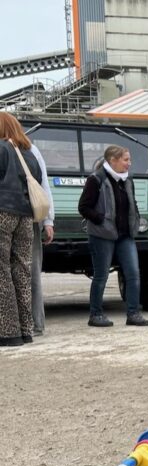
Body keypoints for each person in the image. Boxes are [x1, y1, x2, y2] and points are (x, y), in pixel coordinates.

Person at [78, 146, 148, 328]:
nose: (129, 163)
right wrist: (102, 220)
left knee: (133, 274)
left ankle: (133, 314)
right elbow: (84, 207)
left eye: (129, 159)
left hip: (125, 236)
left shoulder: (127, 180)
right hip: (102, 236)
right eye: (126, 160)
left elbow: (132, 203)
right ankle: (96, 314)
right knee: (101, 275)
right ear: (112, 160)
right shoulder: (96, 179)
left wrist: (136, 221)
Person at [0, 113, 42, 347]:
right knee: (22, 271)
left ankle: (7, 332)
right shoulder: (29, 154)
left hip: (2, 212)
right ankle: (26, 329)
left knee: (1, 271)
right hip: (26, 216)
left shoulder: (1, 149)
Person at [30, 141, 55, 336]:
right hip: (30, 217)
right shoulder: (31, 149)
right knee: (31, 272)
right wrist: (48, 220)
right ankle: (35, 323)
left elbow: (44, 183)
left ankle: (34, 323)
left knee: (29, 272)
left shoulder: (29, 149)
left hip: (26, 218)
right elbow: (44, 184)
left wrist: (48, 219)